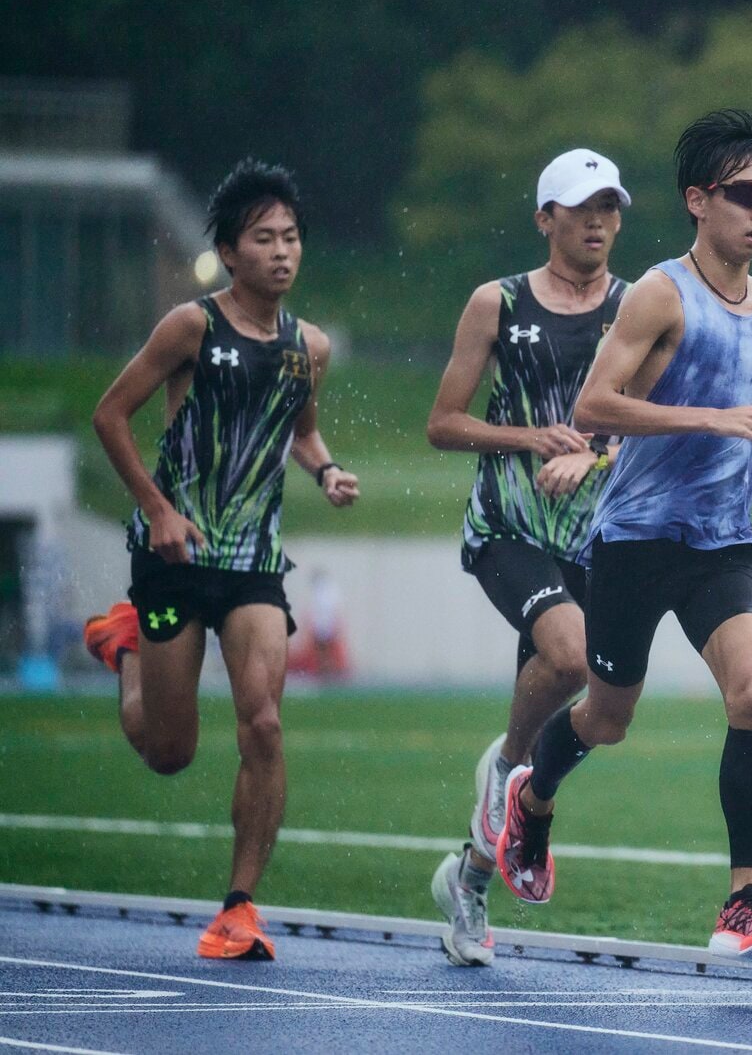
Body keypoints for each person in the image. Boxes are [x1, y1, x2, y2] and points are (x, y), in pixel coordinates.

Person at [487, 109, 752, 967]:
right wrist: (709, 418)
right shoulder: (662, 293)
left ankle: (743, 900)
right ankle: (535, 796)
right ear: (699, 201)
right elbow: (593, 407)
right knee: (607, 715)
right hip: (632, 540)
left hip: (720, 542)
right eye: (746, 194)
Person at [82, 159, 359, 961]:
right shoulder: (190, 328)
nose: (282, 251)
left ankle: (240, 906)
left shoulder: (310, 347)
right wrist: (158, 510)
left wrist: (328, 469)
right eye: (264, 238)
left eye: (292, 237)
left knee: (264, 721)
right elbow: (110, 416)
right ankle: (124, 646)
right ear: (230, 253)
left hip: (252, 561)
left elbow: (301, 431)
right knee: (170, 752)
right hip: (175, 554)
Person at [424, 149, 632, 966]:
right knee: (572, 657)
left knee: (571, 709)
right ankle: (505, 767)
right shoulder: (497, 303)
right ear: (545, 217)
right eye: (581, 207)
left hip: (599, 539)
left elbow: (648, 420)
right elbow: (443, 422)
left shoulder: (639, 306)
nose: (598, 222)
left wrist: (598, 454)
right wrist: (527, 436)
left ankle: (469, 880)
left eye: (610, 207)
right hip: (509, 529)